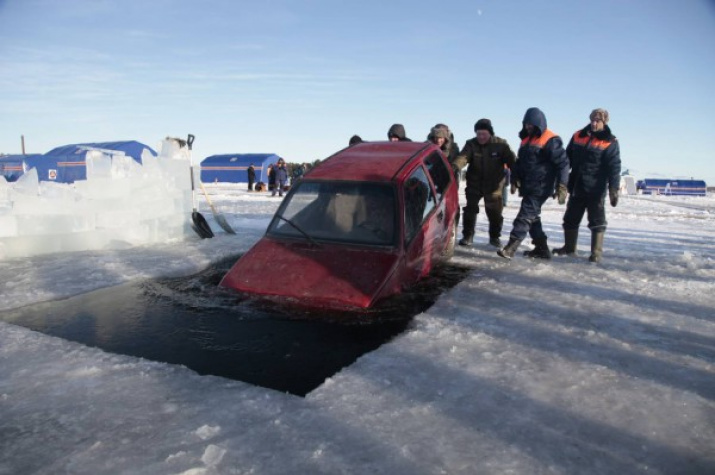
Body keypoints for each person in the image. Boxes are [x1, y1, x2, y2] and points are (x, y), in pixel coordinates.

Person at [498, 107, 569, 259]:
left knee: (525, 216)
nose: (528, 127)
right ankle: (541, 248)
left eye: (531, 124)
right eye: (526, 124)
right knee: (533, 217)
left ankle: (511, 247)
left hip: (541, 186)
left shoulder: (550, 140)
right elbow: (521, 163)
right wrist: (516, 177)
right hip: (528, 185)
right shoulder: (526, 140)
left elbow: (563, 163)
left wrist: (562, 185)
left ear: (539, 123)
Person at [553, 108, 621, 262]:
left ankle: (596, 253)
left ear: (604, 122)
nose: (594, 123)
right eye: (592, 120)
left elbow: (614, 167)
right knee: (570, 219)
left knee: (597, 221)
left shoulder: (610, 141)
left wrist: (613, 188)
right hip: (577, 186)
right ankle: (569, 248)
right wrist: (560, 182)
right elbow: (566, 160)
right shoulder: (578, 135)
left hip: (595, 189)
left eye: (598, 121)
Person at [452, 119, 516, 248]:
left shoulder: (501, 144)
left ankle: (494, 237)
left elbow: (512, 162)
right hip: (474, 183)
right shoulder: (471, 144)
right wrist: (454, 167)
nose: (481, 137)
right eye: (478, 134)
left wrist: (517, 177)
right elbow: (463, 158)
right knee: (470, 210)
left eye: (484, 134)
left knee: (494, 213)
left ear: (490, 133)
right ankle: (468, 236)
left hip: (494, 185)